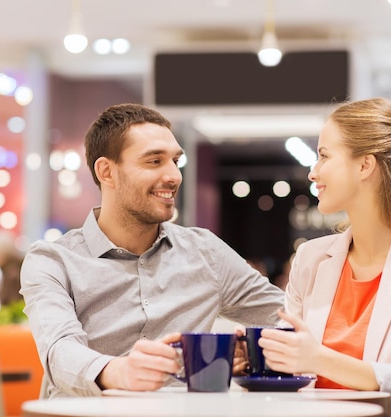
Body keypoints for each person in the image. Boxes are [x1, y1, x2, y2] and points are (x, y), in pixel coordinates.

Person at [19, 103, 284, 398]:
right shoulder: (53, 260)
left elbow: (288, 317)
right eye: (154, 161)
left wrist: (254, 349)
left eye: (175, 161)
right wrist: (120, 372)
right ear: (107, 172)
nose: (174, 176)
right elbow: (59, 351)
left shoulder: (205, 252)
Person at [258, 97, 391, 417]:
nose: (313, 172)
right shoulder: (311, 258)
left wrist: (317, 358)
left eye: (324, 156)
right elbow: (290, 370)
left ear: (364, 165)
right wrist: (257, 357)